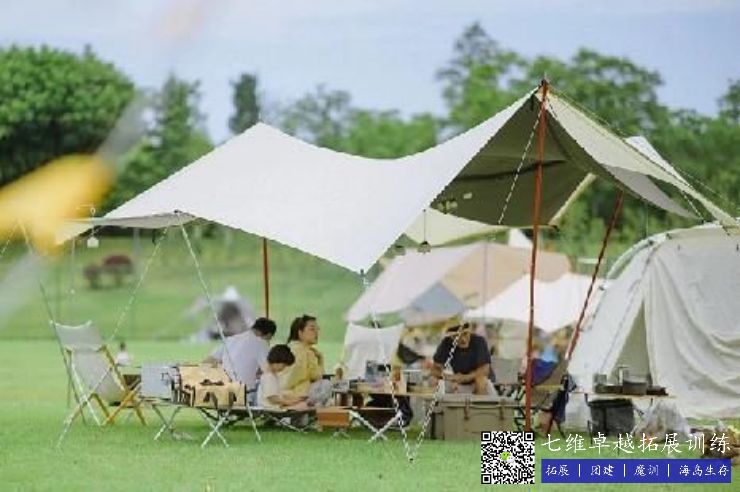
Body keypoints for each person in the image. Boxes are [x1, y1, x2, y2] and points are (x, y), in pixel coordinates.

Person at [203, 317, 276, 390]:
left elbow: (208, 360)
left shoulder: (231, 339)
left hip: (223, 389)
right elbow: (270, 370)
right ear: (267, 334)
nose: (268, 342)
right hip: (243, 392)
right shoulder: (261, 343)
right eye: (268, 338)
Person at [431, 324, 494, 395]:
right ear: (451, 337)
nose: (463, 339)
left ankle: (480, 402)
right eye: (457, 336)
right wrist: (451, 377)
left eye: (465, 334)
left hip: (479, 383)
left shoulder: (479, 341)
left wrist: (464, 378)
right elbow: (434, 370)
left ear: (469, 331)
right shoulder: (446, 343)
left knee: (481, 380)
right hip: (458, 383)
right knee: (433, 380)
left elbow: (485, 370)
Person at [284, 315, 332, 406]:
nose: (316, 332)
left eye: (317, 329)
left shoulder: (289, 347)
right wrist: (321, 359)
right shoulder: (306, 351)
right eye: (312, 329)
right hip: (298, 395)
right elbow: (318, 376)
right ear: (300, 333)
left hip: (283, 393)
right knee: (326, 384)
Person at [257, 344, 309, 410]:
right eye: (283, 365)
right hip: (271, 409)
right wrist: (288, 402)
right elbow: (272, 398)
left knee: (303, 404)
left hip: (274, 407)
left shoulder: (272, 376)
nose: (283, 368)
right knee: (303, 406)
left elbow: (276, 394)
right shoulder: (268, 377)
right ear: (277, 362)